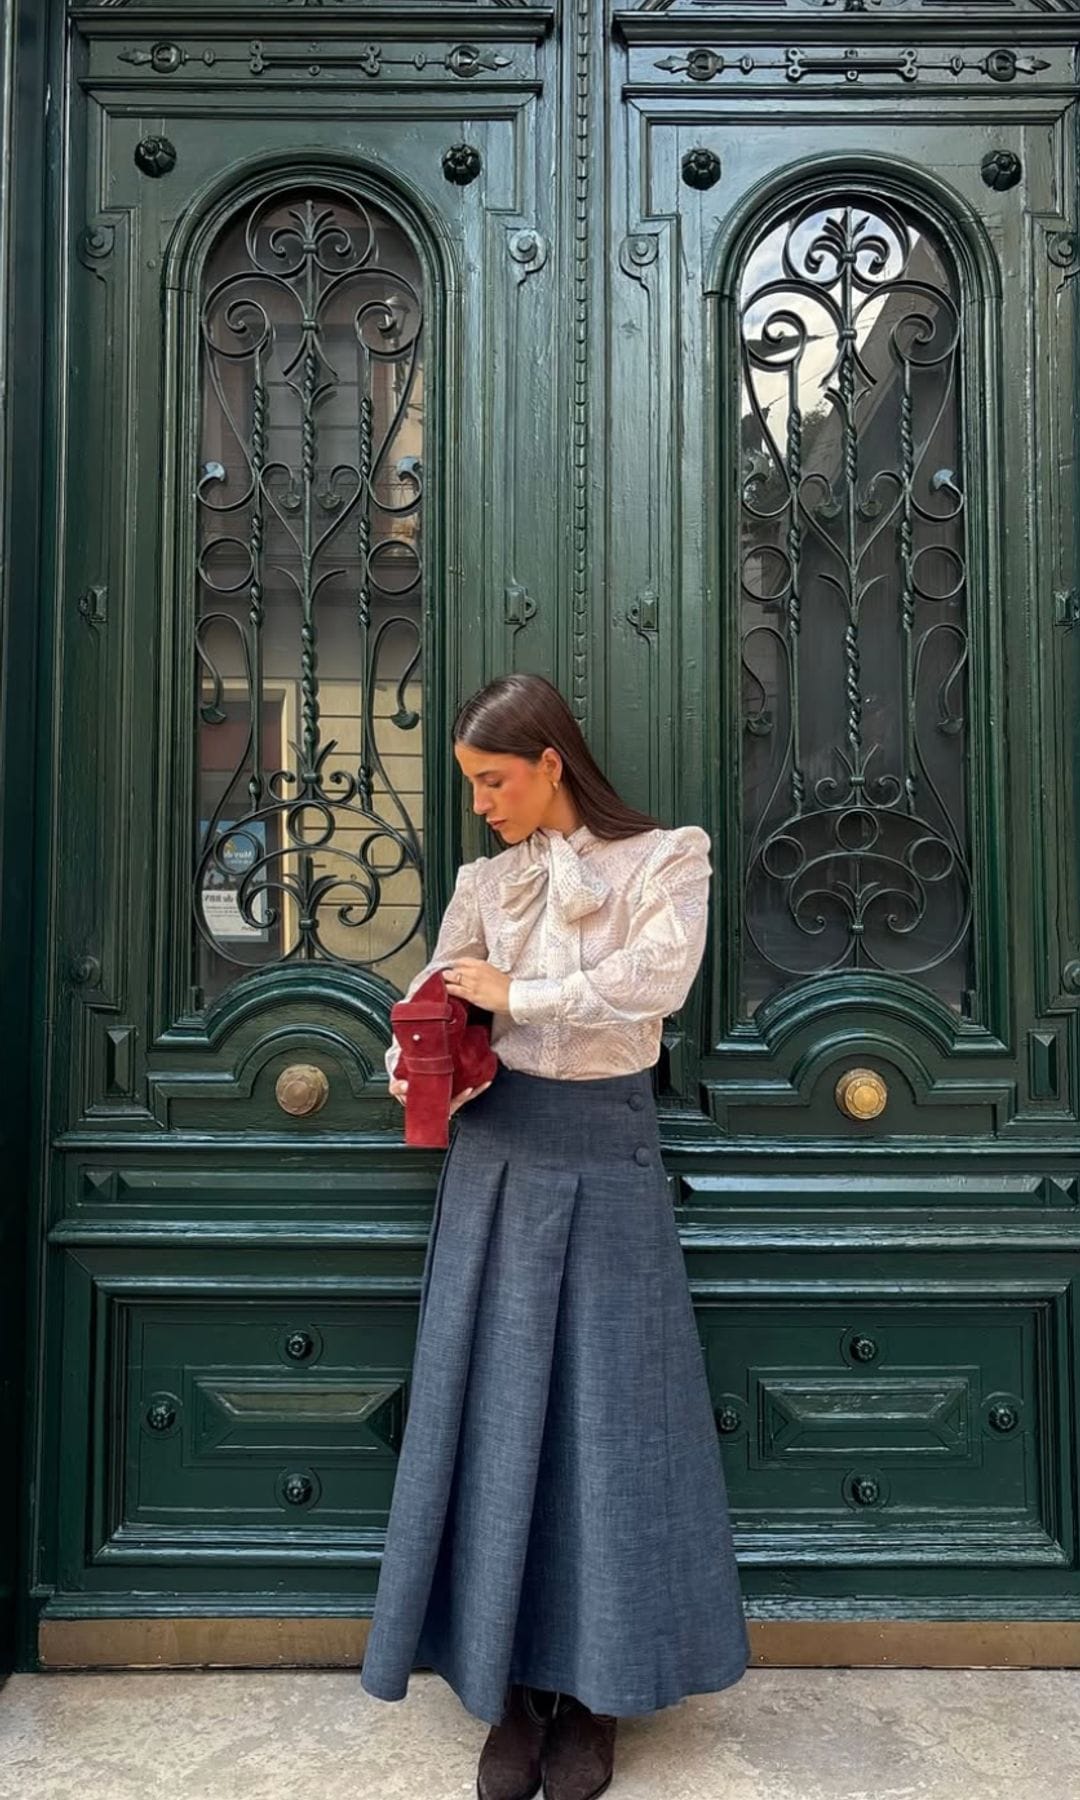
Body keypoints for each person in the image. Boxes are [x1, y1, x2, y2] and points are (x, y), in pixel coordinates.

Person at [360, 673, 750, 1800]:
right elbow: (434, 993)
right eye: (472, 785)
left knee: (610, 1430)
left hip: (608, 1156)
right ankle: (513, 1689)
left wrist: (520, 992)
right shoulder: (485, 882)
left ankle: (595, 1696)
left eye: (492, 781)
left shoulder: (671, 856)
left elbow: (657, 983)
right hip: (495, 1162)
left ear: (550, 765)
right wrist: (414, 1062)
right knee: (498, 1421)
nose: (480, 802)